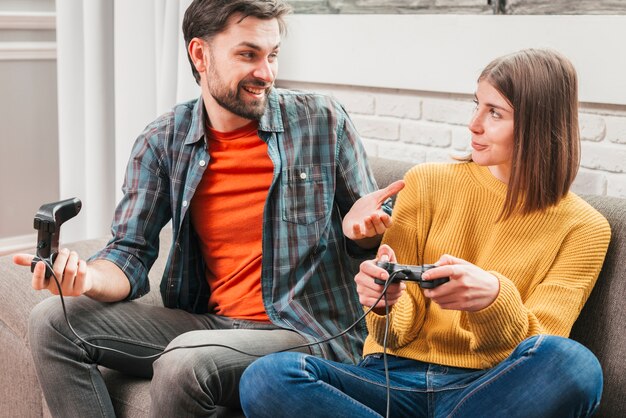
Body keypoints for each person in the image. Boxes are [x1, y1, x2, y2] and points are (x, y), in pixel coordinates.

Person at [13, 0, 403, 416]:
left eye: (272, 55)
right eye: (248, 54)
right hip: (209, 324)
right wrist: (85, 276)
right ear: (200, 54)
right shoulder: (163, 140)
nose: (267, 73)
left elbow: (376, 244)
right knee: (51, 322)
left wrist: (368, 233)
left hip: (303, 330)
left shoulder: (322, 121)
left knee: (186, 359)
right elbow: (129, 254)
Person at [238, 48, 612, 418]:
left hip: (488, 392)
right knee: (268, 377)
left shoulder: (584, 228)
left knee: (573, 364)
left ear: (538, 124)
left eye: (494, 112)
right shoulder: (426, 183)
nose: (474, 124)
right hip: (390, 381)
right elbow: (392, 337)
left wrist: (494, 300)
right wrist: (381, 302)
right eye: (476, 104)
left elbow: (538, 350)